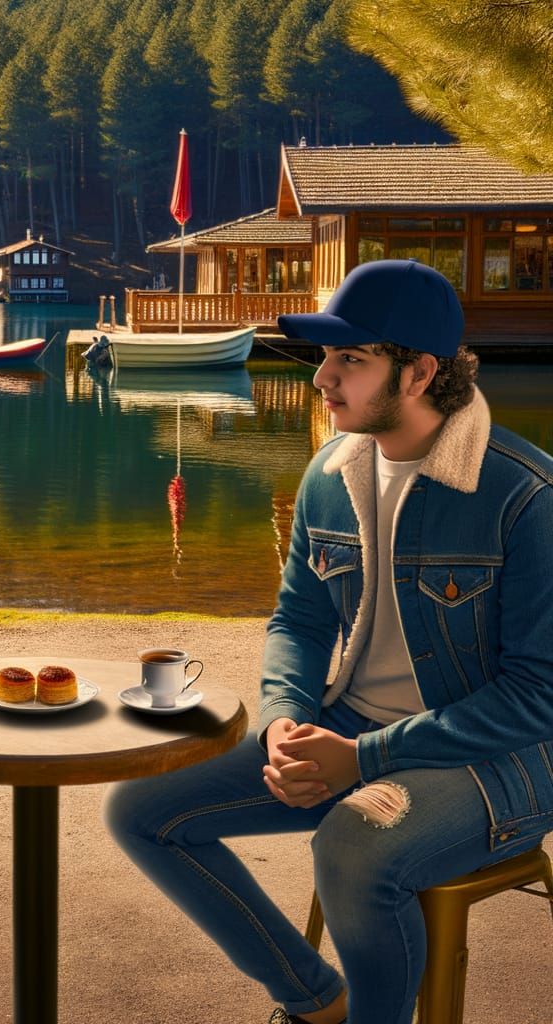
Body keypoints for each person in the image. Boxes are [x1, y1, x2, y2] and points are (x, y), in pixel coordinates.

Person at [105, 259, 553, 1024]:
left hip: (496, 764)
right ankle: (315, 1003)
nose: (322, 379)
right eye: (324, 357)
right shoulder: (330, 473)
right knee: (141, 809)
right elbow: (300, 621)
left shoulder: (525, 496)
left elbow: (537, 697)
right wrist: (284, 719)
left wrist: (364, 760)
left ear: (418, 373)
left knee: (352, 849)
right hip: (349, 732)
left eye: (350, 359)